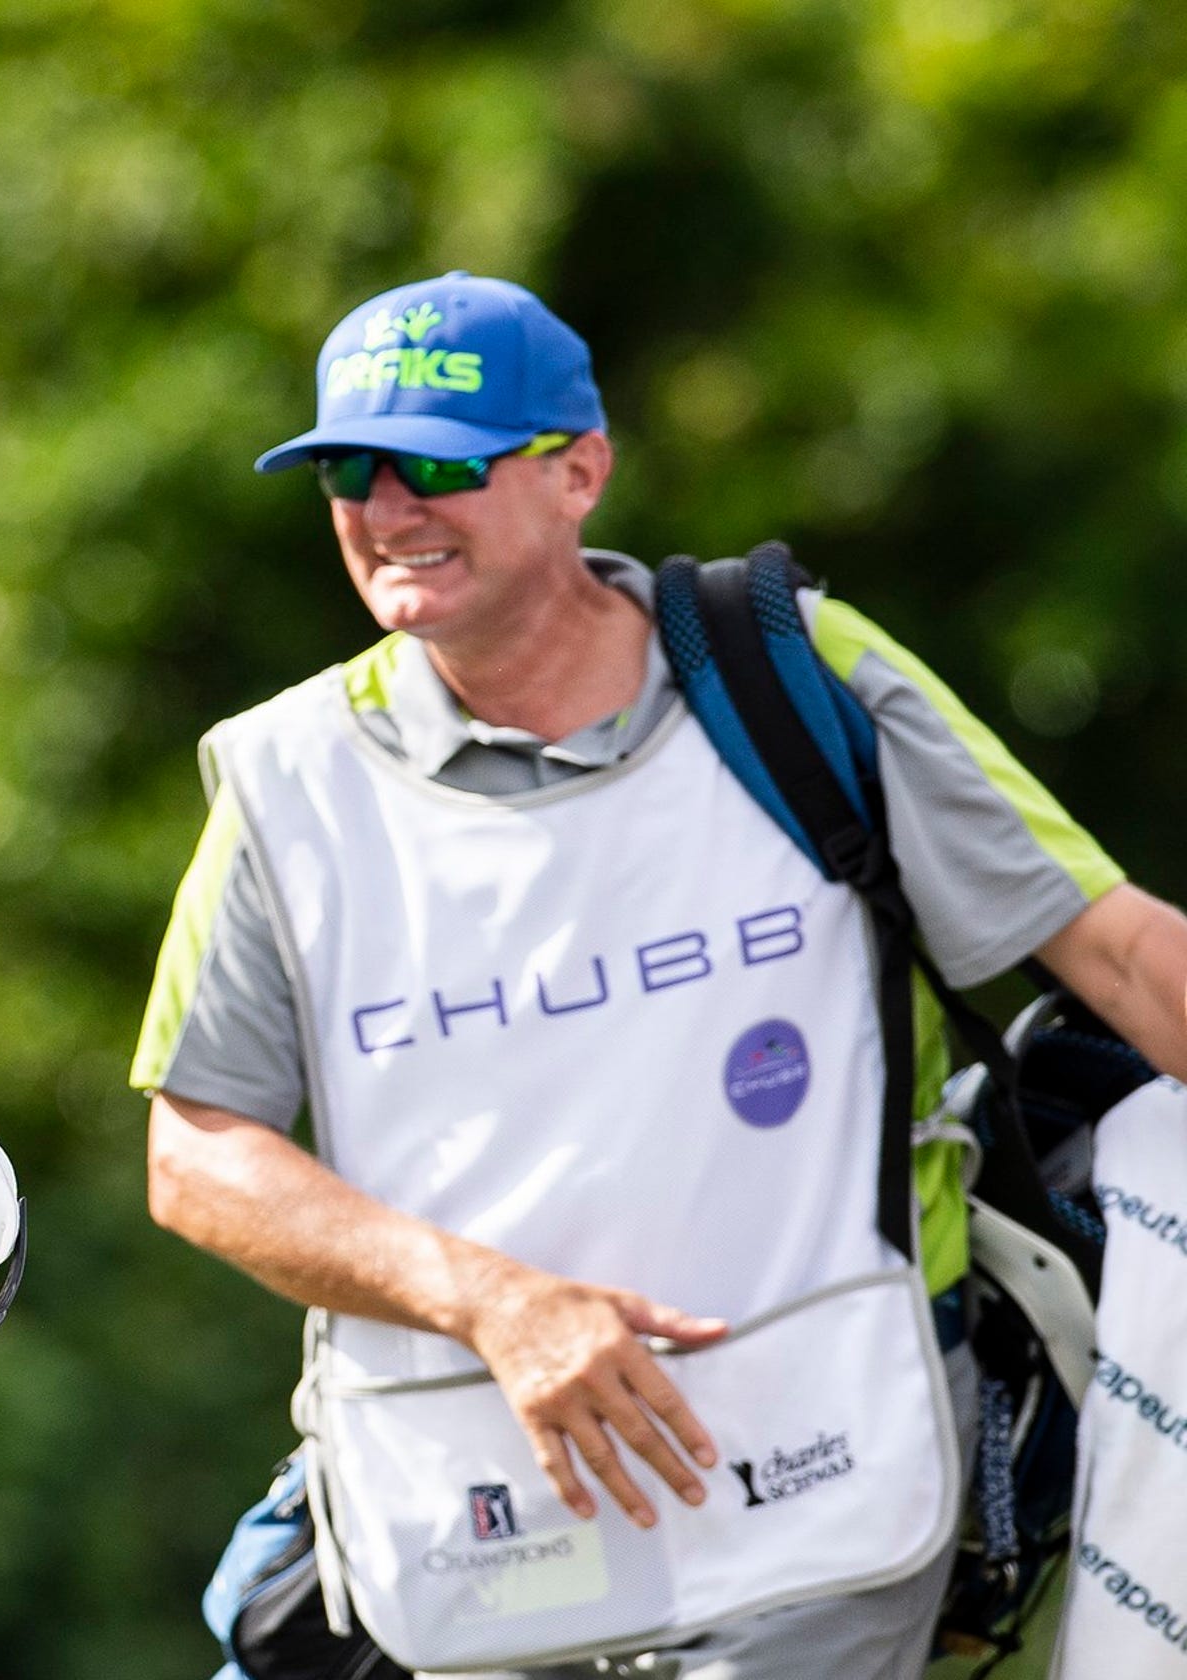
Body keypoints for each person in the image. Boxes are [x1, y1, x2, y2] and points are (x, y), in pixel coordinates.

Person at [135, 271, 1187, 1680]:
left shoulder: (788, 672)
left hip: (831, 1489)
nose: (386, 509)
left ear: (581, 473)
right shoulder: (286, 777)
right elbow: (197, 1157)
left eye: (438, 464)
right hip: (476, 1523)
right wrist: (492, 1301)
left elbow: (1118, 951)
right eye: (347, 470)